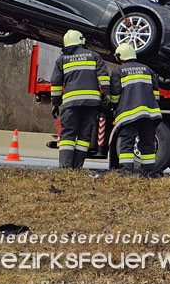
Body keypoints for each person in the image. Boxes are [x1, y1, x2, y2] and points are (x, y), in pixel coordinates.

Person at [50, 29, 110, 169]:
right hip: (92, 103)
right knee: (84, 135)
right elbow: (104, 78)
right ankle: (77, 167)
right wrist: (107, 96)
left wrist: (55, 104)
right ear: (81, 41)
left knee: (67, 135)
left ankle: (65, 167)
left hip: (71, 104)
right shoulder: (94, 56)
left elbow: (56, 84)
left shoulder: (62, 60)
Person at [109, 43, 161, 176]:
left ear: (120, 57)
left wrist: (114, 107)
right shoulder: (147, 69)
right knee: (148, 143)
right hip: (150, 114)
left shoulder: (118, 71)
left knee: (127, 143)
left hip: (129, 114)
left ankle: (126, 171)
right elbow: (156, 94)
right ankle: (149, 172)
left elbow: (115, 96)